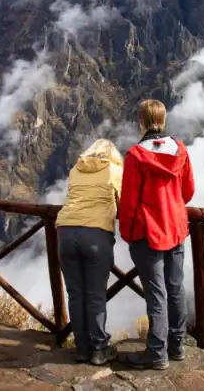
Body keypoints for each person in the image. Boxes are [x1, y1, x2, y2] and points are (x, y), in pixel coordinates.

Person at [118, 99, 195, 370]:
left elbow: (128, 201)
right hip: (176, 228)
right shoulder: (180, 150)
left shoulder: (136, 156)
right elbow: (188, 191)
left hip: (148, 232)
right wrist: (172, 205)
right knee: (175, 289)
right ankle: (177, 346)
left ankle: (156, 353)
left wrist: (127, 232)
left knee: (156, 294)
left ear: (141, 121)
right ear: (163, 119)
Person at [55, 138, 124, 366]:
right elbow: (123, 203)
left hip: (65, 231)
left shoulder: (76, 169)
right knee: (95, 294)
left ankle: (81, 348)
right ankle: (99, 349)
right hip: (95, 234)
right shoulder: (114, 170)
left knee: (75, 293)